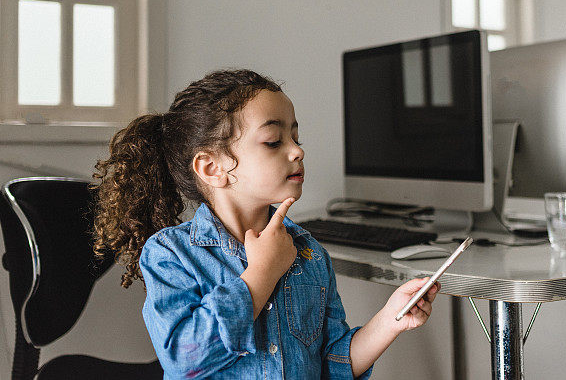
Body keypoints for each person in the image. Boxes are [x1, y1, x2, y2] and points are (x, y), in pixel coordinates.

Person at [92, 69, 440, 379]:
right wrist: (262, 274)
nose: (296, 151)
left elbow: (332, 365)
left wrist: (390, 320)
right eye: (273, 141)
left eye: (295, 138)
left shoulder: (309, 254)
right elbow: (183, 358)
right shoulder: (171, 253)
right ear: (213, 168)